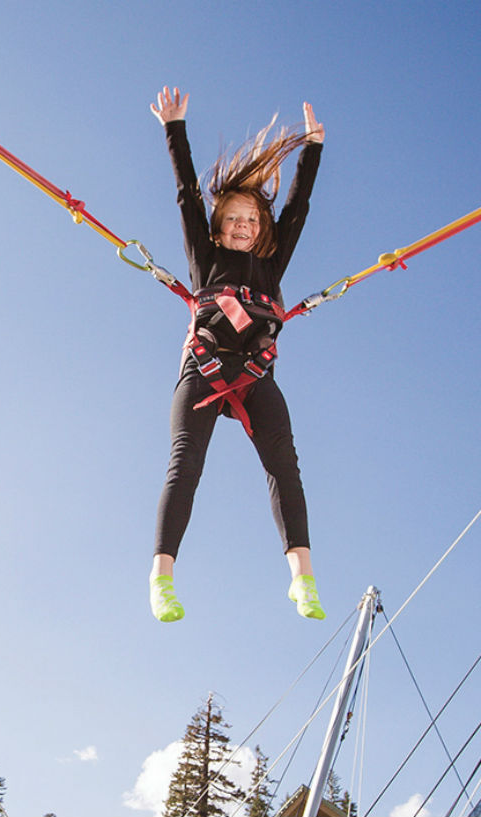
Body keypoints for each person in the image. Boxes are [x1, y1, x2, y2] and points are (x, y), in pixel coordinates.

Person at [147, 86, 325, 623]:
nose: (243, 226)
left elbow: (298, 210)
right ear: (219, 225)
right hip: (203, 372)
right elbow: (186, 196)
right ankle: (161, 580)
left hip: (253, 377)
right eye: (233, 219)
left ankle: (302, 579)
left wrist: (313, 149)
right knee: (185, 466)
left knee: (285, 467)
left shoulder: (272, 267)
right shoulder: (206, 258)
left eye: (251, 219)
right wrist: (174, 130)